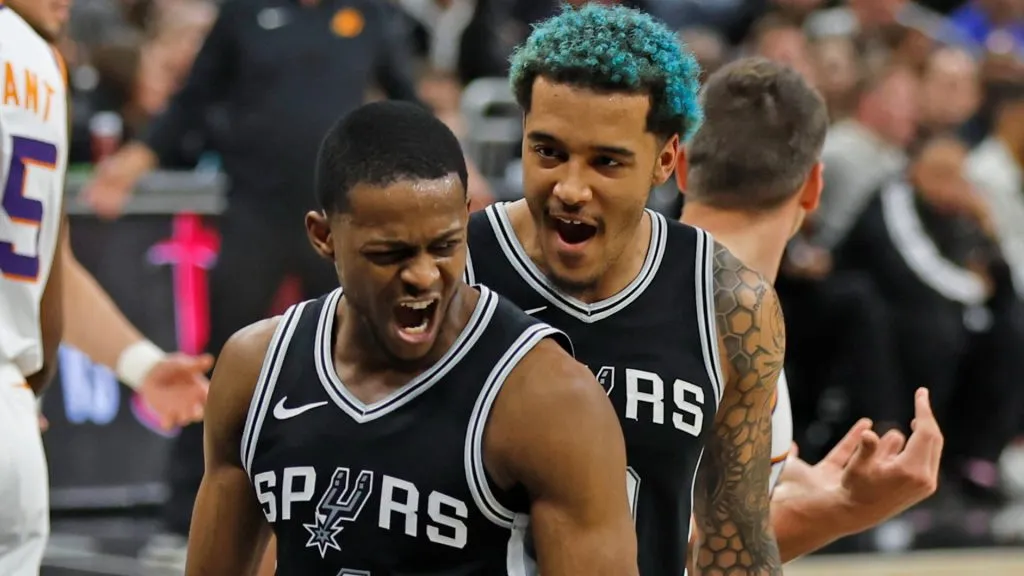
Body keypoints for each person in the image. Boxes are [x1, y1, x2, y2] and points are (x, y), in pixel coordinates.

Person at [185, 100, 638, 575]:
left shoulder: (548, 397)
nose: (423, 276)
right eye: (390, 254)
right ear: (324, 237)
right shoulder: (256, 369)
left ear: (466, 217)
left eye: (444, 247)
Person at [465, 5, 783, 574]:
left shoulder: (730, 304)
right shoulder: (454, 269)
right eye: (548, 151)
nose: (570, 188)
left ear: (665, 161)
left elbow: (734, 539)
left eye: (606, 162)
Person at [677, 57, 944, 563]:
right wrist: (840, 510)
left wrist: (795, 484)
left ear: (684, 167)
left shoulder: (690, 298)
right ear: (813, 188)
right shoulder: (709, 320)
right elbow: (664, 552)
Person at [0, 1, 211, 573]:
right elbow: (51, 265)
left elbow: (50, 262)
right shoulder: (44, 64)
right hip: (13, 421)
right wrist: (139, 365)